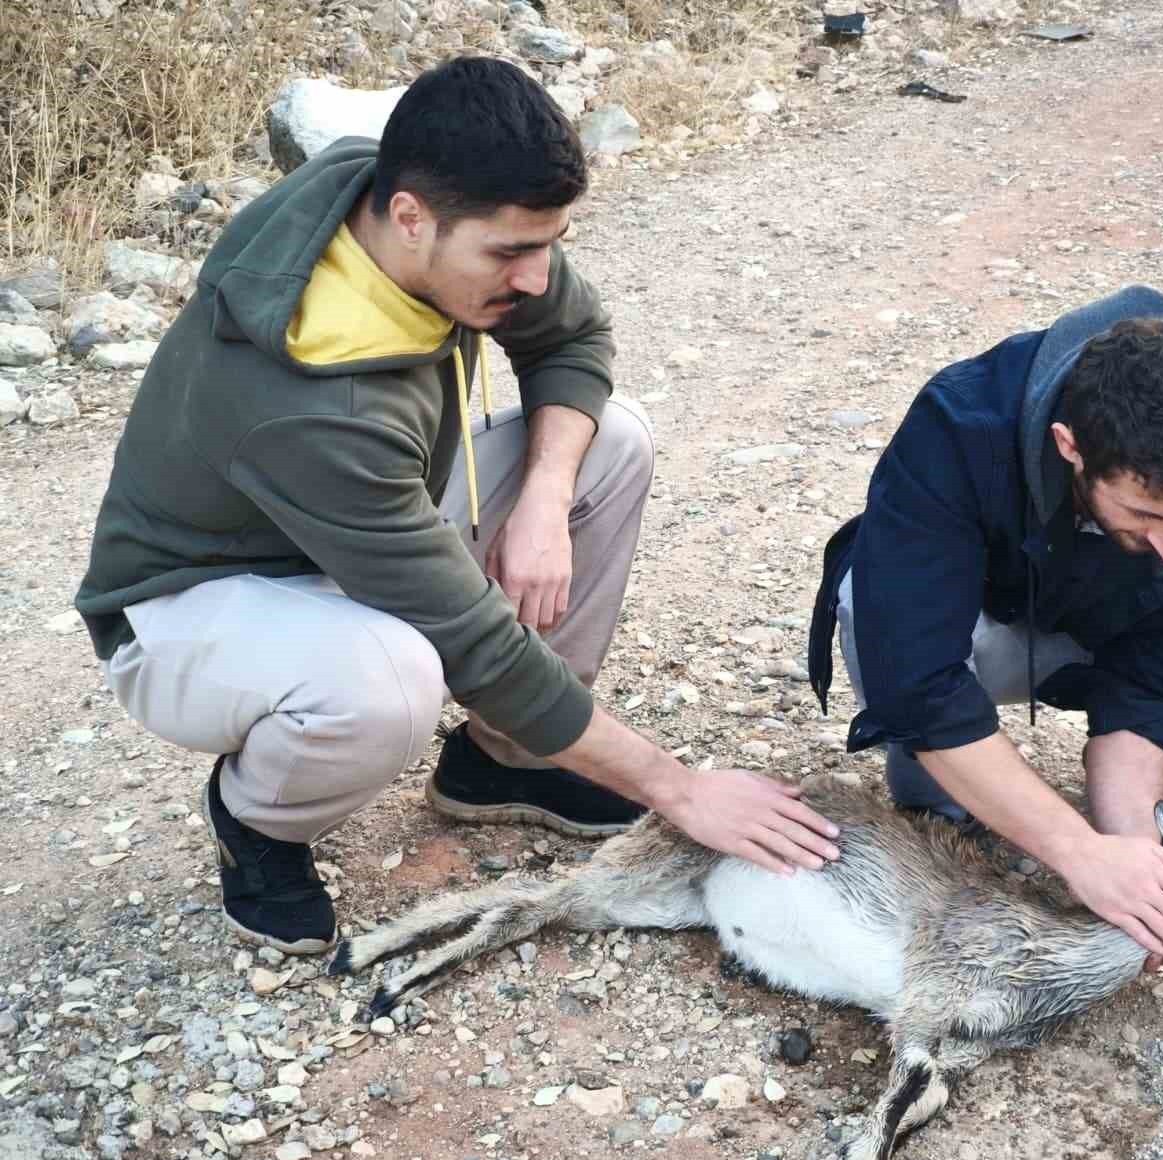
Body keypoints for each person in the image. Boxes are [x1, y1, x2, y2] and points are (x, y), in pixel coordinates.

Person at [75, 56, 839, 958]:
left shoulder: (410, 201)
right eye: (511, 252)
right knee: (391, 677)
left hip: (360, 533)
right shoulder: (306, 404)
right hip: (192, 605)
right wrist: (679, 788)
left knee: (610, 440)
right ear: (411, 220)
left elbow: (574, 336)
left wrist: (545, 503)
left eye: (548, 243)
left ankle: (503, 765)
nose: (534, 276)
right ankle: (258, 822)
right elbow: (473, 645)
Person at [807, 286, 1163, 966]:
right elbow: (918, 677)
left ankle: (1137, 802)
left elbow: (1151, 682)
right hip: (988, 636)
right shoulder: (960, 423)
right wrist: (1076, 853)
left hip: (1109, 635)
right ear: (1070, 447)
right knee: (870, 612)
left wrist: (1133, 859)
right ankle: (948, 790)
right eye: (1146, 514)